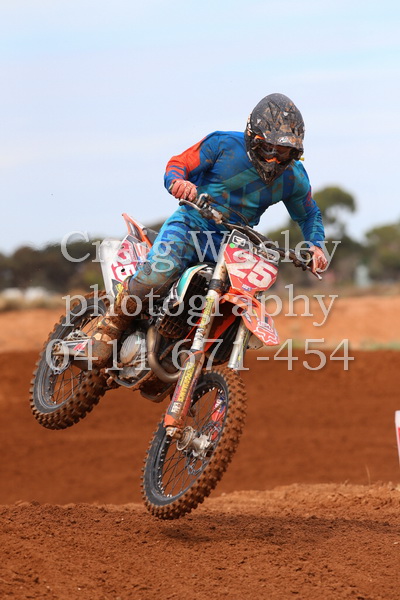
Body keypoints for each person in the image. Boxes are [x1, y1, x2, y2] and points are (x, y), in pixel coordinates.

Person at [84, 93, 327, 366]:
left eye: (282, 152)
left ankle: (187, 355)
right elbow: (178, 163)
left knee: (238, 298)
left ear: (295, 153)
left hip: (233, 245)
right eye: (268, 148)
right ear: (252, 137)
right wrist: (178, 182)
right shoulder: (223, 145)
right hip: (191, 225)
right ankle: (108, 328)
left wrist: (316, 245)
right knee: (158, 274)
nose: (273, 159)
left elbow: (309, 214)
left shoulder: (294, 178)